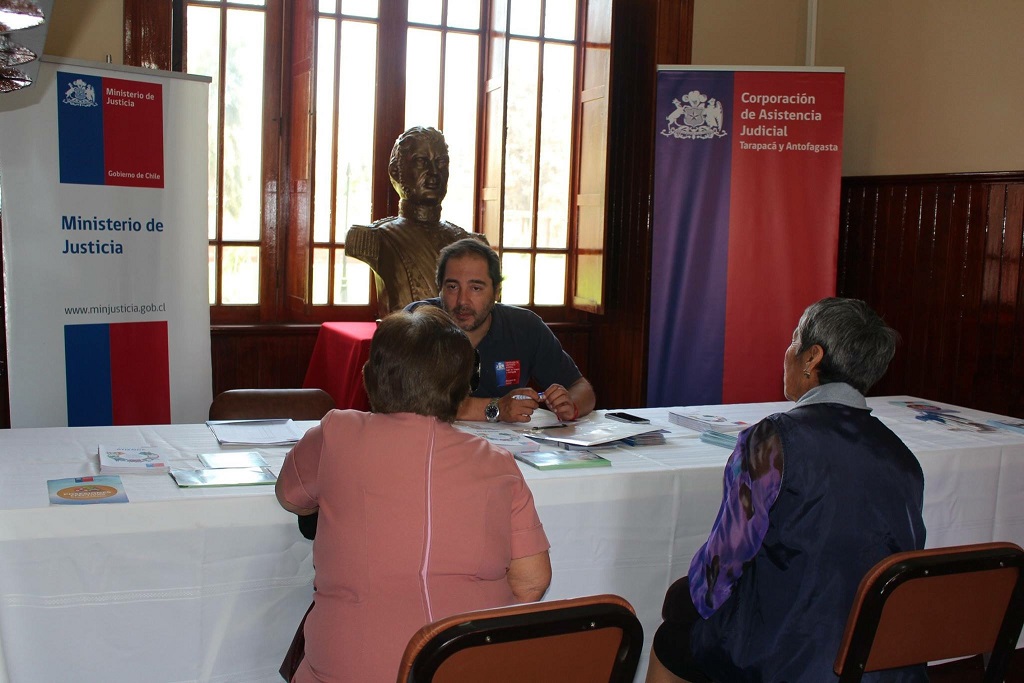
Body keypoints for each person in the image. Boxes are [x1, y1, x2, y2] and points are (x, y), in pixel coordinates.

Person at [646, 297, 927, 683]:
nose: (788, 351)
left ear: (812, 357)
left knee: (673, 634)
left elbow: (725, 560)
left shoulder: (773, 439)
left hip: (790, 656)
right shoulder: (902, 456)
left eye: (795, 340)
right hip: (878, 656)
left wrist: (687, 601)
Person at [275, 306, 552, 682]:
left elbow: (290, 496)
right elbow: (533, 580)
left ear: (369, 376)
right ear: (463, 388)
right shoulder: (498, 463)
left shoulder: (336, 432)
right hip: (467, 666)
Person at [408, 237, 597, 424]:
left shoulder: (524, 327)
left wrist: (570, 405)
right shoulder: (416, 322)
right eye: (452, 287)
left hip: (506, 442)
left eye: (475, 288)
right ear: (439, 289)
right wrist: (496, 408)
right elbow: (407, 399)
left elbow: (581, 387)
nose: (462, 301)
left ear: (497, 291)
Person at [345, 126, 483, 317]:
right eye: (421, 162)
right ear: (395, 171)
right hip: (405, 335)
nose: (434, 172)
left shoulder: (470, 242)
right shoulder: (372, 238)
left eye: (441, 162)